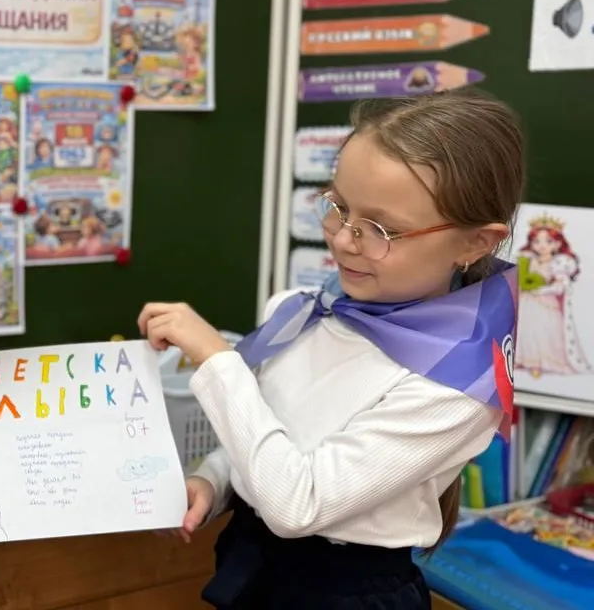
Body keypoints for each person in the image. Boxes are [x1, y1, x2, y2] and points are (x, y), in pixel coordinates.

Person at [138, 90, 525, 609]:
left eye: (382, 229)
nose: (343, 240)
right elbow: (272, 437)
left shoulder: (455, 385)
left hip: (345, 593)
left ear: (475, 242)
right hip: (254, 561)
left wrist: (217, 360)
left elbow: (298, 504)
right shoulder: (310, 310)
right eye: (338, 207)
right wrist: (214, 480)